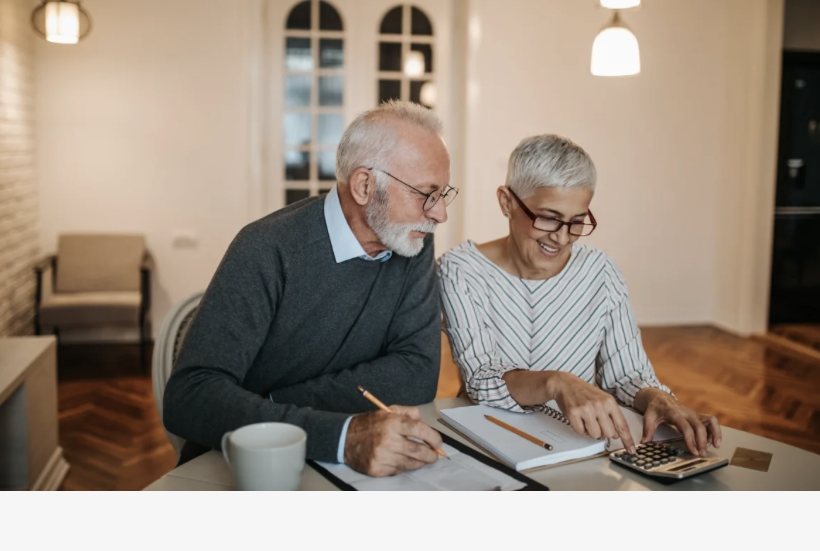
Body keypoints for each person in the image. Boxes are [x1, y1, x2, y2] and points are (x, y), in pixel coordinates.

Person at [164, 100, 458, 477]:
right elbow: (190, 397)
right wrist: (340, 435)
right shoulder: (266, 248)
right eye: (426, 194)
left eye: (443, 193)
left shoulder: (411, 241)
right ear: (365, 186)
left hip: (345, 464)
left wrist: (271, 405)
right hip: (246, 467)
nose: (439, 214)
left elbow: (417, 375)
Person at [438, 134, 721, 457]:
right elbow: (481, 379)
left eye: (576, 222)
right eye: (548, 218)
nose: (562, 238)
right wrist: (557, 383)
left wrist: (658, 398)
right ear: (507, 202)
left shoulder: (600, 271)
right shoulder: (460, 270)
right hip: (490, 440)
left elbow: (627, 375)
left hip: (581, 443)